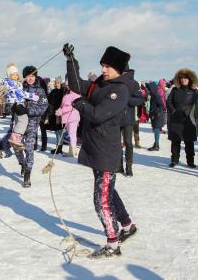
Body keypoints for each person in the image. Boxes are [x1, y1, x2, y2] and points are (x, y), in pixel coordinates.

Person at [63, 44, 137, 258]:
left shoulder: (120, 90)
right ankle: (127, 225)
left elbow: (97, 114)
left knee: (101, 200)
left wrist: (79, 104)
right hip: (95, 148)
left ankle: (113, 245)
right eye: (103, 65)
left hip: (106, 151)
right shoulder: (100, 83)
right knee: (108, 191)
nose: (104, 70)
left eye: (108, 66)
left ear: (119, 69)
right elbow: (78, 85)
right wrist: (71, 60)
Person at [13, 65, 48, 187]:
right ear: (25, 77)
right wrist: (13, 107)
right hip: (19, 123)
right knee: (16, 147)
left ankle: (27, 173)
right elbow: (9, 102)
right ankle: (22, 163)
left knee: (29, 148)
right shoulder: (19, 88)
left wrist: (29, 111)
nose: (31, 78)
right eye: (28, 76)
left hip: (32, 123)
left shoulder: (40, 90)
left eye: (33, 75)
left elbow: (43, 107)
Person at [0, 63, 39, 150]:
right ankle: (15, 137)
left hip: (16, 103)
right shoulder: (12, 83)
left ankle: (17, 139)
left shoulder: (15, 83)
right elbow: (20, 93)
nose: (16, 76)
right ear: (9, 75)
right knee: (23, 119)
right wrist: (32, 96)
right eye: (13, 75)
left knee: (18, 120)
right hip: (16, 103)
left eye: (16, 74)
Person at [166, 68, 198, 168]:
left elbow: (197, 105)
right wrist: (174, 111)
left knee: (189, 142)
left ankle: (190, 161)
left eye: (186, 78)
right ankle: (174, 160)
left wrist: (190, 112)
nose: (184, 80)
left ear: (190, 79)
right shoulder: (175, 90)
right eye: (182, 78)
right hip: (175, 119)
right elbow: (168, 102)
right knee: (175, 141)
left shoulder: (194, 91)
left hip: (189, 120)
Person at [118, 65, 144, 176]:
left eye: (124, 72)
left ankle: (129, 166)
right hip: (116, 117)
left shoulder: (133, 83)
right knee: (116, 143)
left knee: (128, 142)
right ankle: (118, 165)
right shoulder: (115, 82)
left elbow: (139, 99)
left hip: (128, 118)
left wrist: (127, 100)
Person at [55, 83, 81, 157]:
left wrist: (62, 110)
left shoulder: (76, 94)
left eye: (69, 84)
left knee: (72, 134)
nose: (67, 86)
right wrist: (59, 109)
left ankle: (73, 151)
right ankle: (71, 151)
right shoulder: (66, 94)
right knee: (70, 134)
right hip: (67, 118)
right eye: (66, 84)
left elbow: (73, 106)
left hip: (73, 117)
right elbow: (62, 104)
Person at [47, 76, 66, 154]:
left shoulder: (63, 92)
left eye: (58, 83)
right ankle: (58, 147)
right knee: (56, 131)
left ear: (61, 83)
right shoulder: (53, 91)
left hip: (60, 114)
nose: (57, 84)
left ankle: (59, 148)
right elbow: (49, 100)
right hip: (53, 114)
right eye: (56, 83)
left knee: (60, 131)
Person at [147, 81, 166, 151]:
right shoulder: (154, 94)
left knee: (156, 130)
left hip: (157, 116)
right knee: (156, 129)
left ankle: (156, 145)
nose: (148, 90)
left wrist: (157, 112)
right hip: (155, 115)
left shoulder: (156, 95)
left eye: (149, 89)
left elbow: (161, 105)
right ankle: (156, 144)